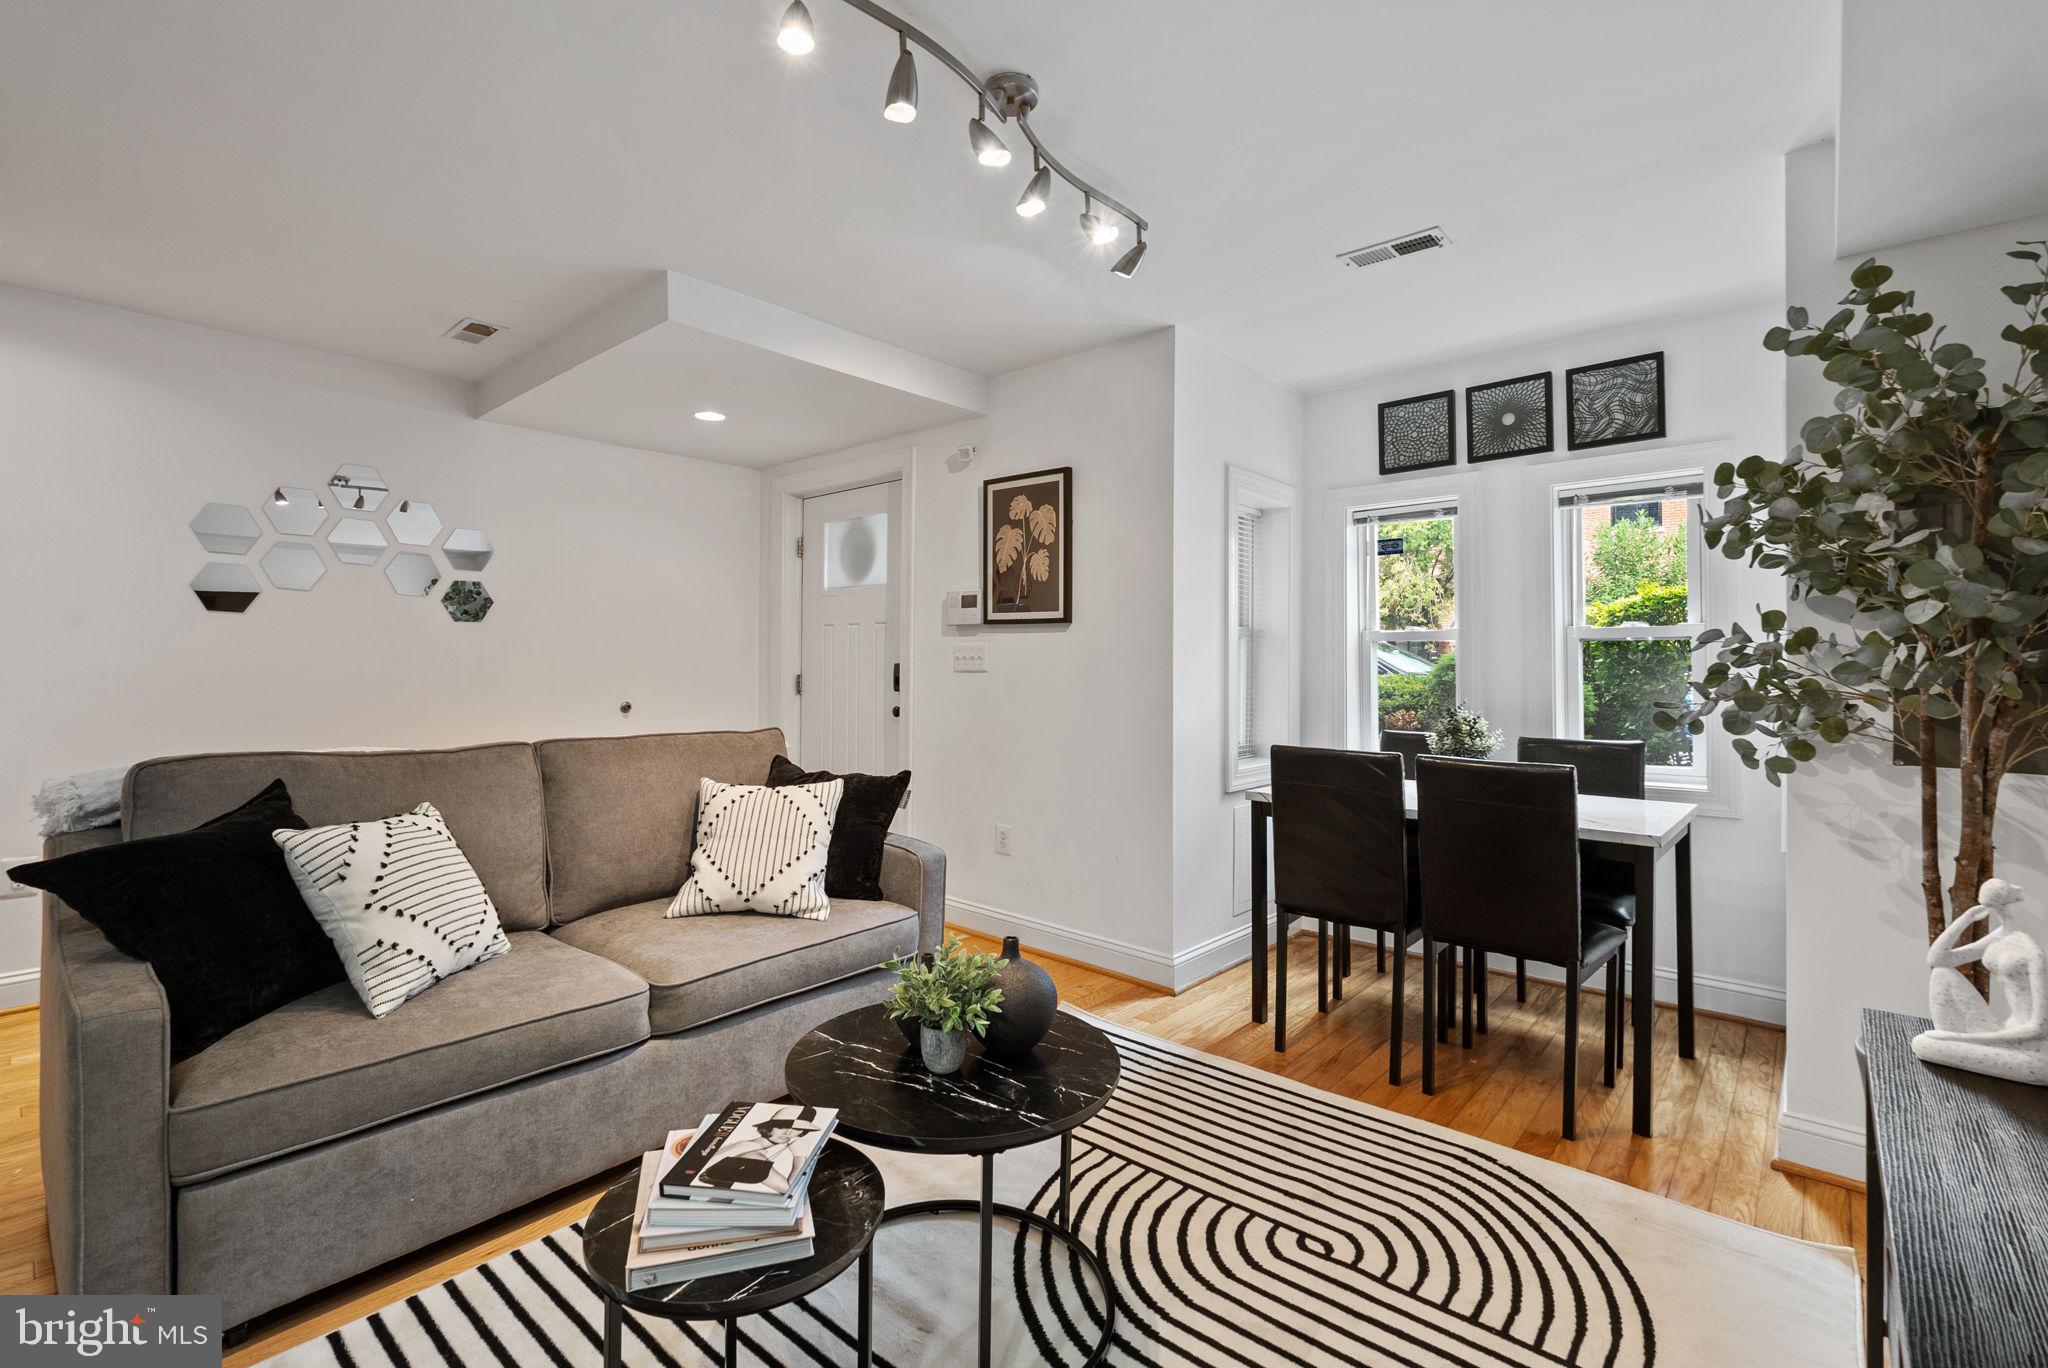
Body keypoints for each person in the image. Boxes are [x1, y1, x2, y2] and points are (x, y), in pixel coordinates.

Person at [698, 1105, 823, 1192]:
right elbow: (791, 1191)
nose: (787, 1133)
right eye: (782, 1127)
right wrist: (799, 1156)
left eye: (796, 1129)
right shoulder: (752, 1154)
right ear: (769, 1127)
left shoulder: (747, 1145)